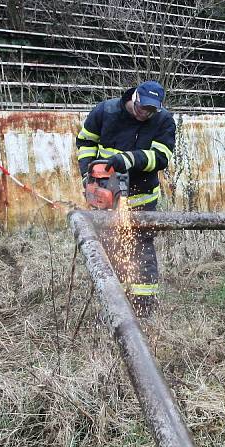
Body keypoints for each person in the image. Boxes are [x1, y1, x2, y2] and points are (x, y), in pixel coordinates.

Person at [75, 80, 176, 318]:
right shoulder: (106, 111)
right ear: (134, 98)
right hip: (107, 196)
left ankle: (143, 306)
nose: (145, 114)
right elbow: (86, 141)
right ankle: (113, 304)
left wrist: (130, 159)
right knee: (110, 248)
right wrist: (87, 175)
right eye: (143, 108)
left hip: (141, 197)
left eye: (151, 110)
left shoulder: (163, 121)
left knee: (141, 249)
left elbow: (161, 157)